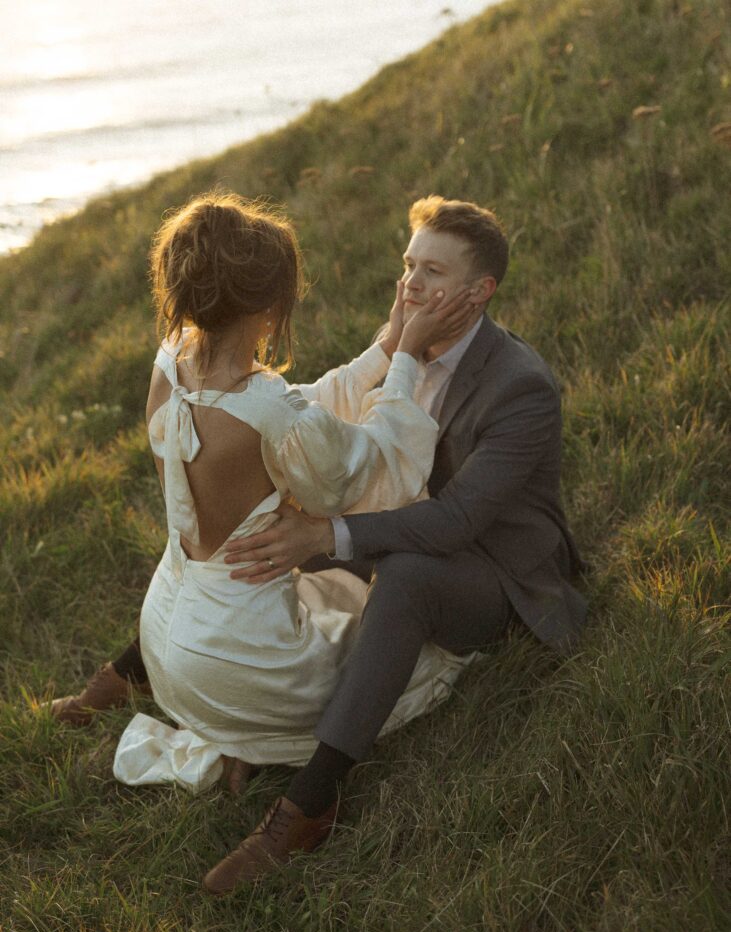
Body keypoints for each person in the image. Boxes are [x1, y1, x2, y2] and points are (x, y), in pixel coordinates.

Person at [51, 195, 587, 894]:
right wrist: (391, 355)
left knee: (403, 575)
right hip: (391, 521)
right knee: (280, 515)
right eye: (407, 266)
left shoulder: (520, 387)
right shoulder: (327, 366)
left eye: (432, 273)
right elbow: (312, 419)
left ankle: (309, 802)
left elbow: (453, 522)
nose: (410, 287)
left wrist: (327, 533)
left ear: (480, 291)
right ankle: (150, 680)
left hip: (488, 568)